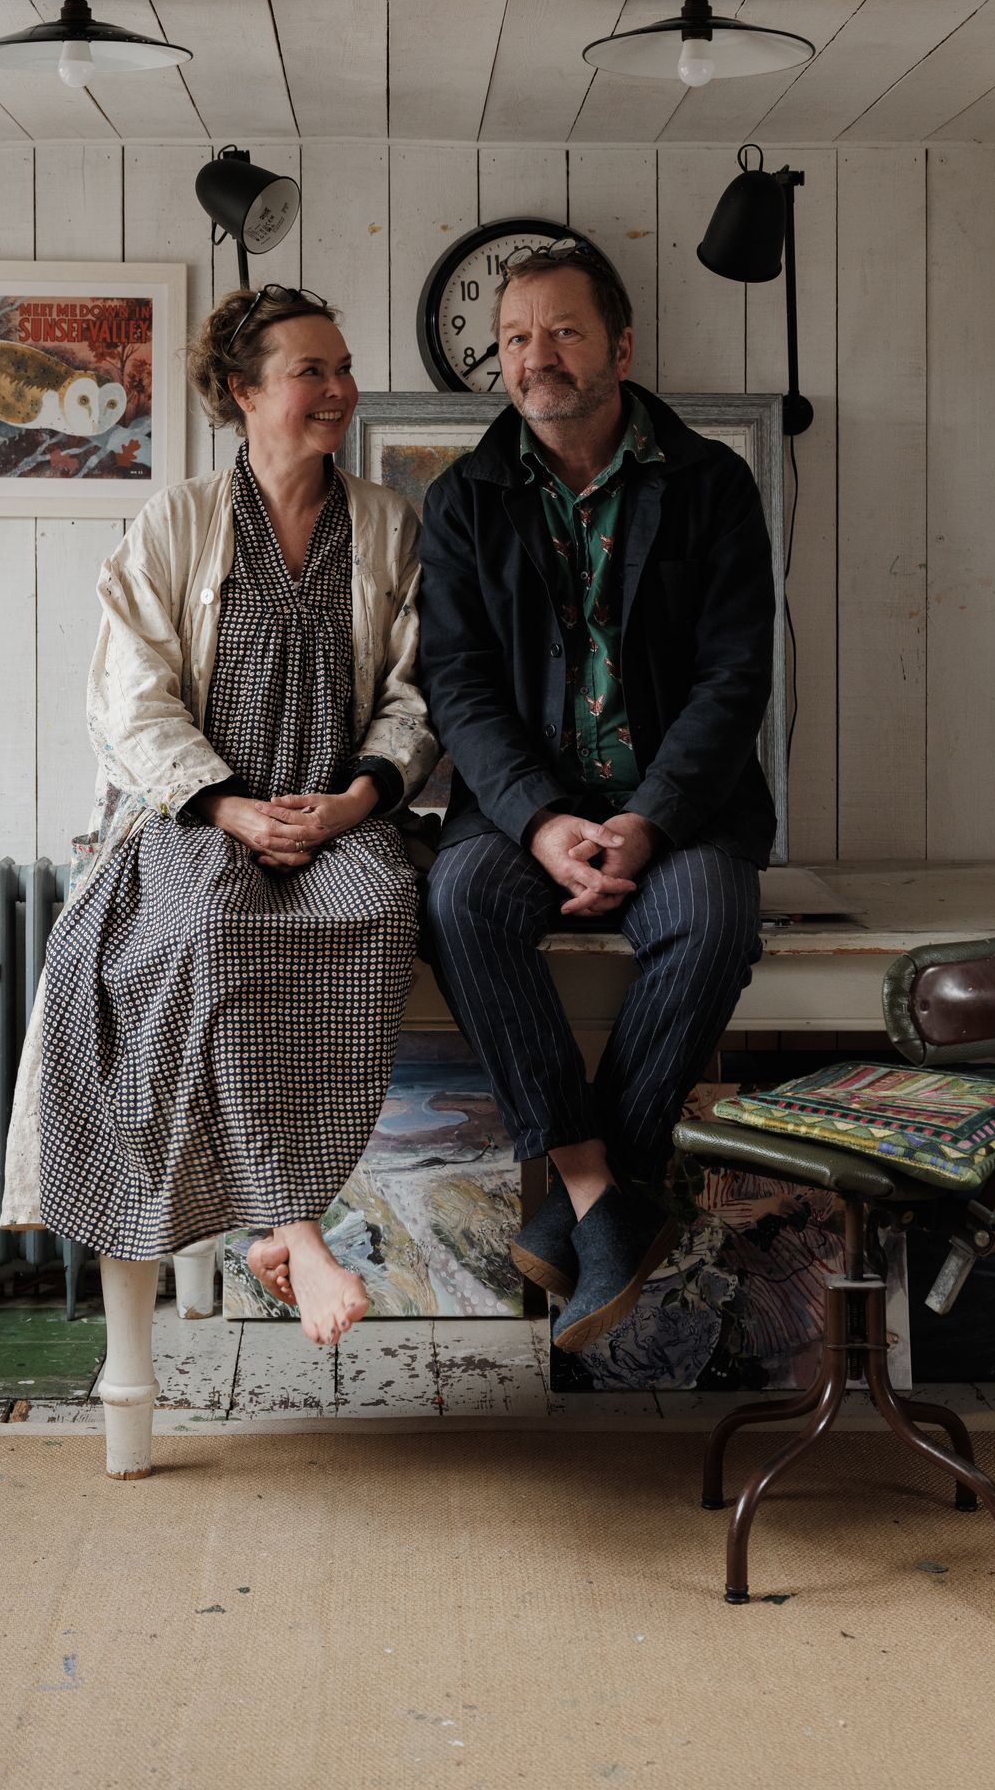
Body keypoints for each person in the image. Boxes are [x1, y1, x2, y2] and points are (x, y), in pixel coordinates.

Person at [0, 284, 437, 1476]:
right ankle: (295, 1224)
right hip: (202, 815)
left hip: (336, 812)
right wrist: (227, 804)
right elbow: (127, 698)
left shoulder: (389, 524)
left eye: (343, 366)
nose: (338, 387)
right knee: (203, 930)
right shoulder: (175, 523)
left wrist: (354, 797)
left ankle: (283, 1225)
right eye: (312, 369)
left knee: (378, 906)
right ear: (243, 393)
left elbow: (415, 690)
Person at [417, 241, 775, 1356]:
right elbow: (458, 686)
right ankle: (595, 1188)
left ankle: (592, 1197)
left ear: (619, 345)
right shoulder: (463, 498)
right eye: (516, 337)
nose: (536, 357)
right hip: (524, 820)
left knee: (718, 919)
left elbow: (734, 677)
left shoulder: (711, 483)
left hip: (679, 817)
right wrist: (540, 817)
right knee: (458, 901)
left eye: (563, 332)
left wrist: (644, 820)